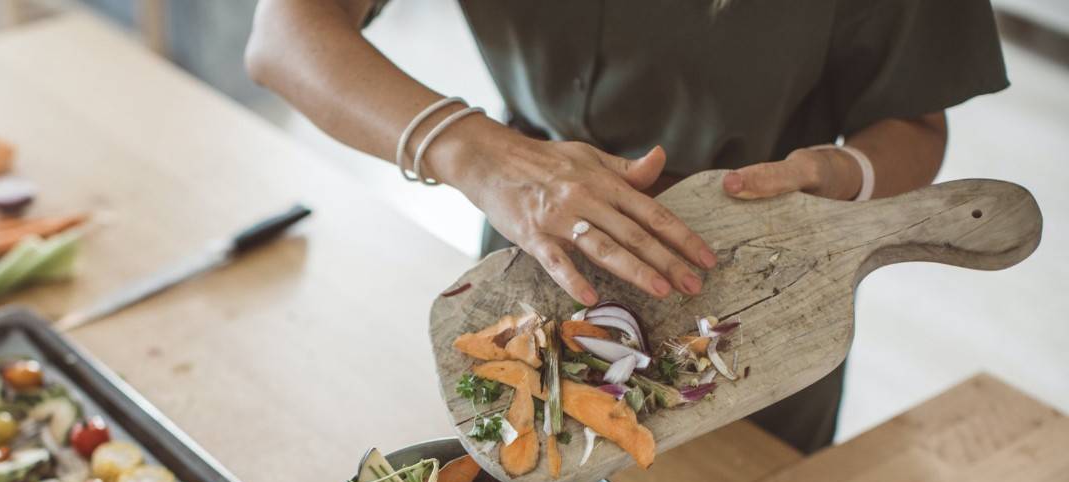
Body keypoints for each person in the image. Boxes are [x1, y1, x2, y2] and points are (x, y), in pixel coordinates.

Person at [245, 0, 1008, 452]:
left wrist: (844, 181)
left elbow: (912, 116)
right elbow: (286, 30)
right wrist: (481, 155)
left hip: (763, 295)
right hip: (537, 261)